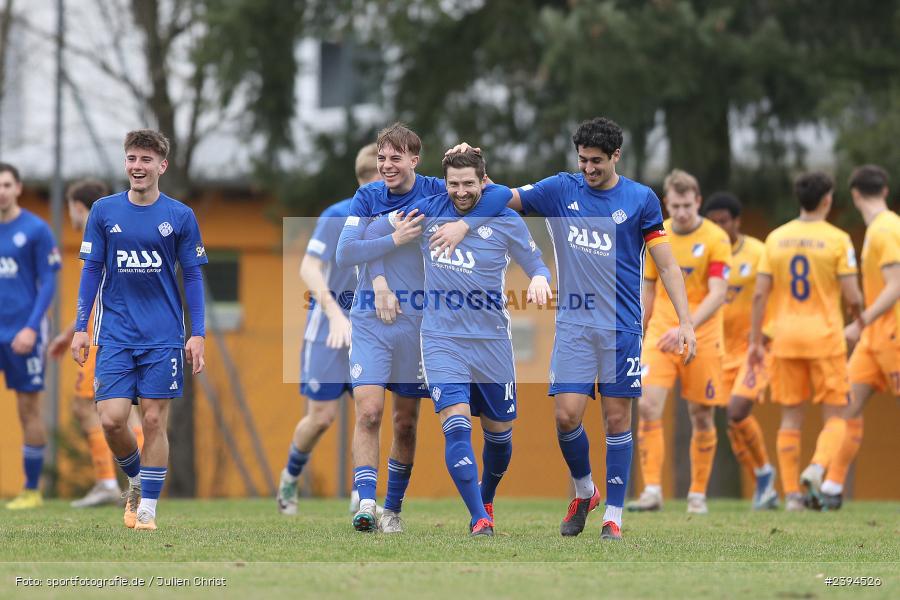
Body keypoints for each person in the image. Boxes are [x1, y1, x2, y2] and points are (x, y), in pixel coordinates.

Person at [451, 117, 696, 540]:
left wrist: (687, 322)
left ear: (616, 156)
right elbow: (503, 198)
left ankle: (614, 518)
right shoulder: (560, 189)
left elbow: (667, 264)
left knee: (618, 420)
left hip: (622, 329)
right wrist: (473, 166)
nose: (588, 168)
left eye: (597, 161)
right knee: (566, 417)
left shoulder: (641, 200)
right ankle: (585, 491)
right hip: (574, 325)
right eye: (582, 160)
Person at [363, 149, 552, 536]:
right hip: (441, 339)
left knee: (499, 437)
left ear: (484, 182)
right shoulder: (429, 210)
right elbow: (373, 235)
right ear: (444, 183)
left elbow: (536, 263)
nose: (461, 192)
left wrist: (539, 278)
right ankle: (478, 518)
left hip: (492, 342)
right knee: (457, 425)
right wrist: (380, 282)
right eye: (453, 184)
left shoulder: (505, 220)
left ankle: (487, 498)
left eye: (469, 183)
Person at [336, 123, 508, 533]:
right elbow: (347, 252)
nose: (387, 166)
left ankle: (392, 510)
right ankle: (366, 503)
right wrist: (383, 269)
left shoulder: (436, 189)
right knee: (370, 411)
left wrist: (470, 165)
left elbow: (497, 194)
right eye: (381, 158)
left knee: (405, 422)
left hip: (420, 323)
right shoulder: (367, 196)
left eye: (396, 158)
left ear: (415, 159)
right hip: (371, 320)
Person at [71, 129, 207, 530]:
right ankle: (135, 476)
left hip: (163, 336)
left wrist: (196, 333)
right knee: (112, 420)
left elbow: (194, 278)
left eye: (146, 160)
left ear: (161, 166)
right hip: (113, 334)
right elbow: (91, 270)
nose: (137, 166)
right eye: (132, 158)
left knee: (152, 421)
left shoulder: (180, 216)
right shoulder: (103, 211)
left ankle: (146, 507)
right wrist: (81, 327)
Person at [276, 143, 381, 516]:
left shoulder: (395, 213)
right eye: (380, 178)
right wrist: (337, 314)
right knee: (321, 418)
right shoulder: (337, 215)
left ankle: (362, 493)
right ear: (364, 181)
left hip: (370, 332)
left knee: (370, 412)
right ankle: (290, 478)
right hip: (327, 330)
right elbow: (308, 268)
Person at [748, 171, 862, 511]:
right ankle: (816, 467)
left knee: (790, 418)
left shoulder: (776, 239)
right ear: (827, 199)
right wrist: (858, 319)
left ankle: (793, 496)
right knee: (838, 414)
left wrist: (756, 341)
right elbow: (853, 294)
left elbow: (758, 295)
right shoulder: (838, 239)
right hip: (826, 338)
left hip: (784, 338)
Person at [629, 169, 731, 515]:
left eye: (688, 205)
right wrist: (640, 330)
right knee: (646, 407)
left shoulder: (717, 238)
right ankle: (652, 491)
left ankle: (697, 494)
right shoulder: (659, 234)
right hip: (661, 334)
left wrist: (687, 326)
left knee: (701, 415)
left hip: (701, 335)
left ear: (698, 201)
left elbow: (718, 294)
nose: (682, 212)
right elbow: (649, 289)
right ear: (666, 204)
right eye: (676, 205)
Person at [47, 179, 144, 508]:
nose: (70, 217)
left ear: (78, 207)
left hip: (105, 337)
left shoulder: (100, 235)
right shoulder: (115, 232)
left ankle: (110, 481)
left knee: (89, 408)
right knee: (125, 414)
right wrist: (66, 334)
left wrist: (76, 334)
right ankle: (139, 480)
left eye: (70, 208)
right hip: (113, 333)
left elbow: (100, 299)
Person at [820, 165, 900, 509]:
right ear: (884, 190)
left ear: (854, 195)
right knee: (847, 405)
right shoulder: (878, 229)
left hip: (893, 334)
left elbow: (896, 285)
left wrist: (860, 320)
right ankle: (832, 489)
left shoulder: (886, 229)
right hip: (874, 338)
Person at [703, 192, 778, 510]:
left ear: (737, 222)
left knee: (737, 411)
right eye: (713, 222)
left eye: (724, 221)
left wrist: (767, 334)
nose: (719, 227)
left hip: (757, 348)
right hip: (721, 350)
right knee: (733, 425)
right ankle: (764, 481)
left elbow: (777, 293)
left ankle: (765, 478)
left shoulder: (759, 253)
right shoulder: (706, 253)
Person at [0, 162, 61, 510]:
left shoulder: (36, 230)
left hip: (23, 332)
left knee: (28, 409)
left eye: (7, 184)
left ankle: (32, 489)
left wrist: (30, 327)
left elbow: (48, 282)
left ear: (18, 187)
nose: (2, 191)